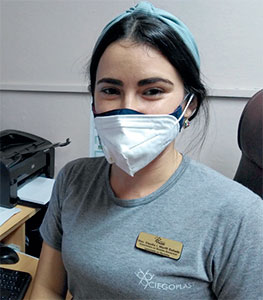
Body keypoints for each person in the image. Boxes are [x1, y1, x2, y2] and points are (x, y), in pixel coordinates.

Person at [31, 2, 263, 299]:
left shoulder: (240, 217)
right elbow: (48, 287)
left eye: (152, 91)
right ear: (93, 101)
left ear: (188, 105)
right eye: (110, 90)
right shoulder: (73, 180)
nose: (128, 109)